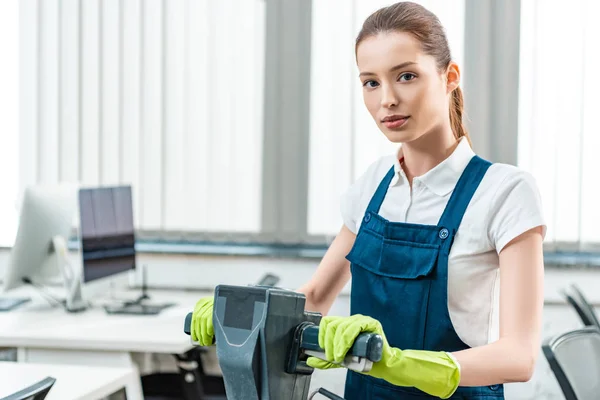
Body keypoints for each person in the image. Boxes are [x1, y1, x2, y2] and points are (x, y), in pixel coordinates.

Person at [190, 2, 545, 399]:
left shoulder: (504, 192)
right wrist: (237, 315)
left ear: (450, 77)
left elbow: (520, 356)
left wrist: (395, 362)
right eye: (370, 82)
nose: (387, 100)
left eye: (406, 76)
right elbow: (317, 297)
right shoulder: (373, 185)